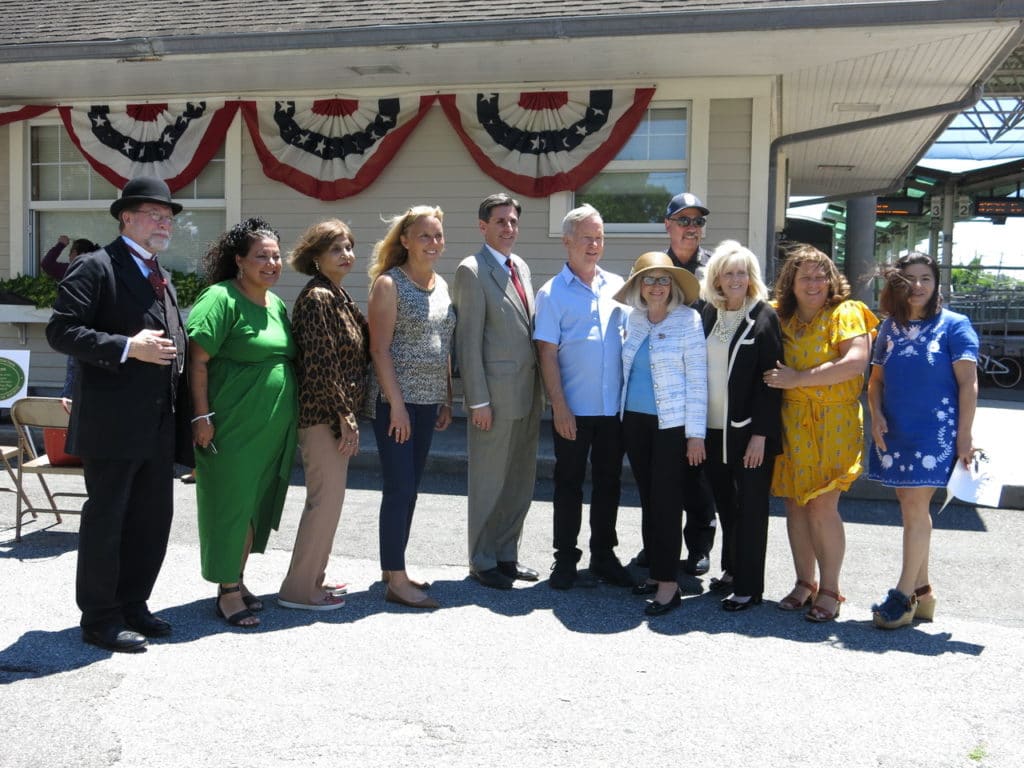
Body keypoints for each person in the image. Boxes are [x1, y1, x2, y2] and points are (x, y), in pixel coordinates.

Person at [46, 176, 192, 653]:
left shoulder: (159, 273)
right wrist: (129, 347)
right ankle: (100, 617)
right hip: (111, 424)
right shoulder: (96, 266)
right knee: (108, 520)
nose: (164, 223)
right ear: (126, 218)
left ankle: (133, 603)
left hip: (157, 422)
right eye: (154, 215)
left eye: (168, 217)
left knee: (151, 519)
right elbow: (62, 331)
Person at [187, 217, 298, 628]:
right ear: (239, 260)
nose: (271, 264)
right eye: (261, 257)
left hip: (271, 430)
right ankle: (227, 591)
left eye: (276, 256)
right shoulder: (220, 298)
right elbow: (197, 360)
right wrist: (201, 416)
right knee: (229, 506)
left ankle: (237, 577)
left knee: (252, 507)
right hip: (230, 427)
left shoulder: (276, 304)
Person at [764, 244, 878, 622]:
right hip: (792, 421)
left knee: (821, 505)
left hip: (834, 423)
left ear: (831, 281)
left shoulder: (846, 312)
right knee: (795, 504)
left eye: (820, 276)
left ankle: (830, 588)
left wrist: (798, 378)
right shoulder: (781, 316)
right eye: (805, 277)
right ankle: (804, 582)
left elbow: (856, 362)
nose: (813, 284)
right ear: (791, 283)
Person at [867, 252, 978, 629]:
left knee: (914, 505)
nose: (918, 286)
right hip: (896, 429)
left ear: (937, 284)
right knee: (909, 504)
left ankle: (902, 596)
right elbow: (876, 382)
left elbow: (969, 384)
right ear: (897, 284)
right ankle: (924, 592)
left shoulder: (955, 325)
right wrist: (876, 415)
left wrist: (965, 436)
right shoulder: (888, 328)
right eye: (910, 279)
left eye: (926, 278)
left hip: (937, 432)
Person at [533, 204, 633, 590]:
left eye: (600, 238)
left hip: (612, 410)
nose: (595, 245)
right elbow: (547, 353)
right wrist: (559, 407)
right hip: (572, 410)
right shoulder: (552, 293)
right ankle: (565, 559)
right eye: (587, 238)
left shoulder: (618, 287)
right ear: (567, 242)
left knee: (609, 484)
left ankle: (604, 556)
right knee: (568, 484)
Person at [276, 219, 369, 611]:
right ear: (315, 256)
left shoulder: (337, 294)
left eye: (348, 246)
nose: (346, 254)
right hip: (323, 418)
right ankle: (299, 590)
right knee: (324, 503)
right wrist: (345, 416)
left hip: (334, 415)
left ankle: (313, 577)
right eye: (335, 248)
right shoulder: (317, 297)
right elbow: (322, 364)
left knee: (330, 503)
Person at [452, 193, 543, 590]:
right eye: (501, 221)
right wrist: (478, 401)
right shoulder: (471, 270)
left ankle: (507, 554)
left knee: (519, 481)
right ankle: (482, 559)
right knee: (489, 481)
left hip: (527, 392)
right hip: (493, 399)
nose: (509, 228)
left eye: (513, 221)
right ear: (483, 226)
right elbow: (468, 342)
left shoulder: (520, 266)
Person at [366, 205, 455, 610]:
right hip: (395, 404)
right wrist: (397, 406)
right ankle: (397, 581)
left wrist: (447, 396)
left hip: (428, 401)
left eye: (438, 235)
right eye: (424, 236)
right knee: (399, 488)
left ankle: (393, 568)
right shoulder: (389, 284)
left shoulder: (442, 285)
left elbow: (443, 343)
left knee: (411, 488)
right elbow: (379, 350)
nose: (433, 242)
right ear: (405, 240)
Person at [615, 252, 704, 616]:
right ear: (639, 286)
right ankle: (655, 571)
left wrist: (696, 435)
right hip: (634, 423)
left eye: (663, 280)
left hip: (672, 426)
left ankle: (669, 584)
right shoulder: (633, 318)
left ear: (673, 285)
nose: (656, 286)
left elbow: (697, 380)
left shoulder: (688, 320)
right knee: (649, 500)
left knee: (667, 502)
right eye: (649, 280)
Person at [699, 241, 783, 611]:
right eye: (728, 273)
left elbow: (771, 382)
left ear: (751, 277)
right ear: (716, 278)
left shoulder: (764, 316)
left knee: (751, 509)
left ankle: (749, 587)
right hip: (711, 431)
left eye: (742, 272)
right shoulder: (708, 313)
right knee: (726, 505)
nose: (735, 279)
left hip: (748, 433)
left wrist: (761, 435)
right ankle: (732, 570)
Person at [660, 192, 717, 575]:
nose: (691, 228)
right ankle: (658, 545)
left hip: (702, 382)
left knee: (699, 472)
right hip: (662, 383)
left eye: (697, 221)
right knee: (661, 474)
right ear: (668, 225)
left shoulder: (714, 269)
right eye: (683, 220)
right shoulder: (655, 266)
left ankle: (698, 546)